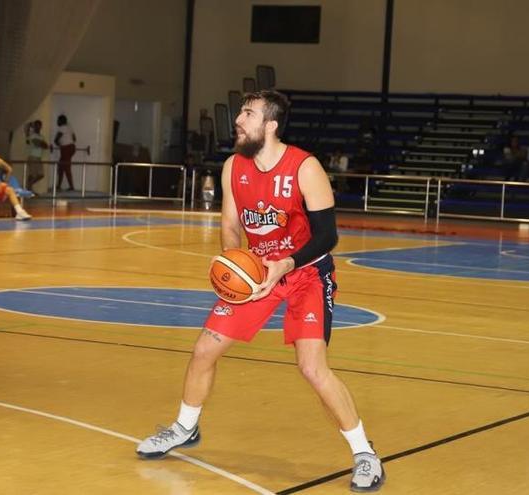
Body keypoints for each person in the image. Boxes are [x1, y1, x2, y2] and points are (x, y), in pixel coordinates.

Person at [135, 90, 386, 493]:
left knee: (312, 368)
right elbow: (231, 225)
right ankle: (184, 428)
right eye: (240, 112)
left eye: (247, 114)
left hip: (305, 272)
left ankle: (364, 453)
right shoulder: (234, 166)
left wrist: (286, 263)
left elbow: (328, 235)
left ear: (270, 125)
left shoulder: (305, 167)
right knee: (204, 350)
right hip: (259, 275)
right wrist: (235, 266)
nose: (238, 119)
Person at [54, 114, 76, 191]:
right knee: (62, 166)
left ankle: (71, 187)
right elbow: (74, 138)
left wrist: (58, 143)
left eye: (58, 120)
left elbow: (56, 139)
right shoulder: (69, 127)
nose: (57, 122)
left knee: (65, 167)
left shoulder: (62, 128)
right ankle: (59, 186)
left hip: (66, 148)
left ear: (61, 121)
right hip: (71, 147)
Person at [25, 120, 47, 187]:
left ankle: (28, 187)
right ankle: (29, 189)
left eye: (39, 125)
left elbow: (45, 146)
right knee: (32, 175)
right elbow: (37, 143)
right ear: (34, 126)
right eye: (36, 125)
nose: (38, 127)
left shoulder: (41, 136)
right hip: (32, 157)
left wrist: (42, 143)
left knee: (41, 175)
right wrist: (42, 143)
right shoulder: (32, 135)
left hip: (38, 157)